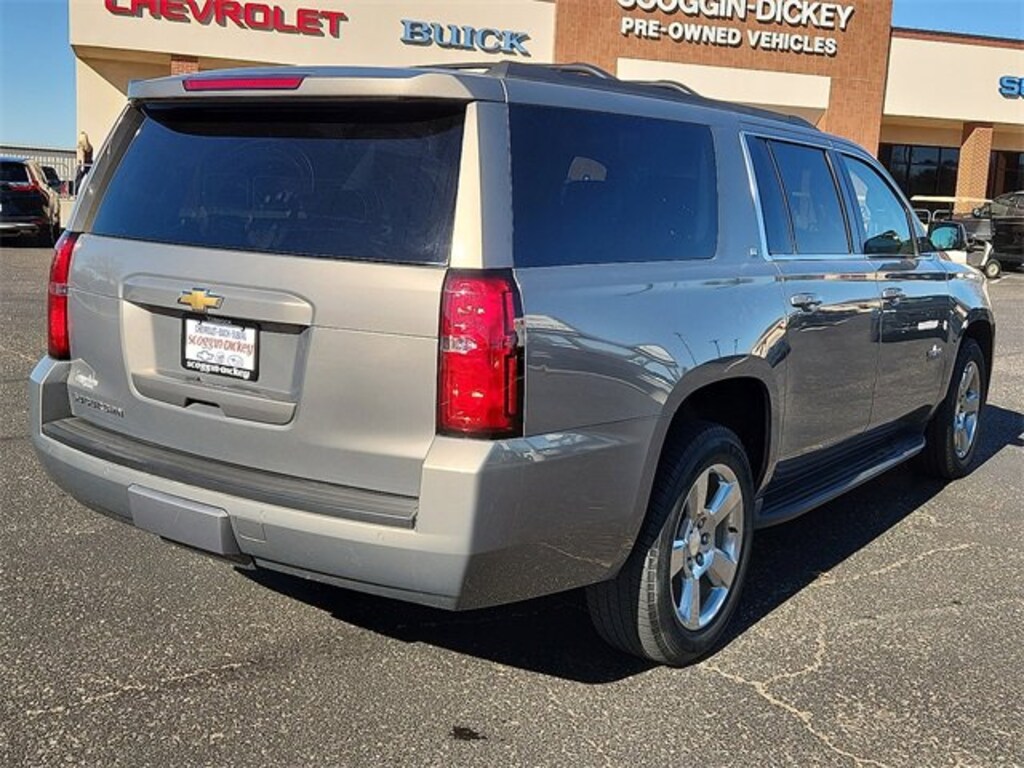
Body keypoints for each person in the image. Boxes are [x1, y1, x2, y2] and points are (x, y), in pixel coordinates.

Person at [74, 131, 93, 195]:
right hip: (89, 164)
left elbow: (82, 156)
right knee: (91, 178)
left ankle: (75, 193)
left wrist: (82, 165)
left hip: (82, 164)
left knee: (77, 180)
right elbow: (90, 156)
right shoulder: (90, 147)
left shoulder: (80, 147)